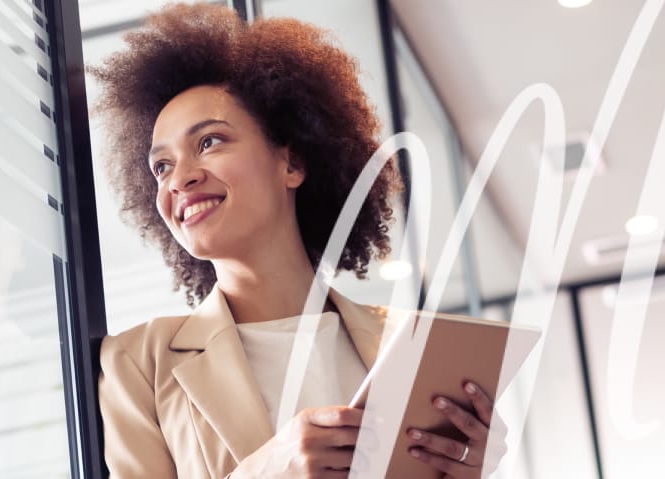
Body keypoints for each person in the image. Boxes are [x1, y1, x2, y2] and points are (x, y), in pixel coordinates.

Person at [91, 3, 506, 478]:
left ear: (292, 163)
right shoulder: (138, 364)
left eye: (209, 142)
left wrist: (469, 470)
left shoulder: (410, 344)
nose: (178, 179)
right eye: (160, 166)